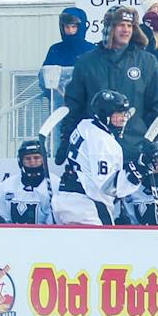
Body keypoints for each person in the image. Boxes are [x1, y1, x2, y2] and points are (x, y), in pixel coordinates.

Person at [60, 4, 158, 155]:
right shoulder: (87, 62)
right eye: (120, 25)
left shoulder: (147, 62)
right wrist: (66, 140)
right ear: (110, 28)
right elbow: (74, 105)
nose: (126, 30)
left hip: (135, 147)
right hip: (95, 148)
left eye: (130, 25)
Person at [58, 89, 134, 226]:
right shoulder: (102, 141)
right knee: (104, 246)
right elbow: (107, 186)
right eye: (118, 114)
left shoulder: (85, 124)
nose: (123, 118)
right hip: (87, 205)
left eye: (124, 114)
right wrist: (136, 173)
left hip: (66, 199)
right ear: (105, 115)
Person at [116, 139, 158, 226]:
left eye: (157, 162)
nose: (153, 166)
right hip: (134, 236)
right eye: (150, 162)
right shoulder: (129, 184)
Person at [0, 137, 57, 225]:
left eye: (36, 158)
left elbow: (54, 223)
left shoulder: (54, 184)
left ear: (44, 159)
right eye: (28, 159)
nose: (32, 162)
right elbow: (4, 216)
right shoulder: (8, 185)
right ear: (21, 161)